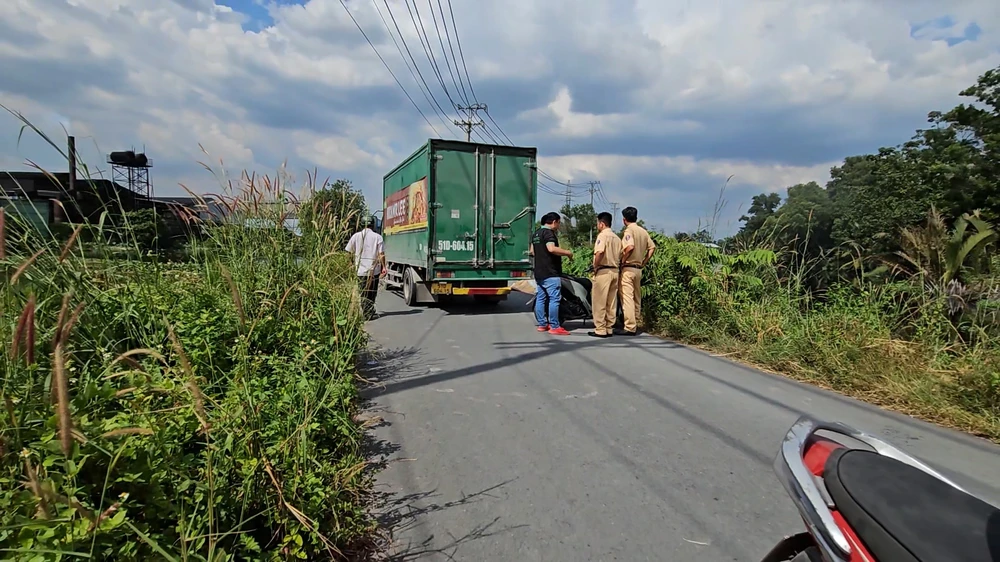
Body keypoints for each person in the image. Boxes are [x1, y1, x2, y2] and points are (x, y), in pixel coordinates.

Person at [530, 212, 573, 335]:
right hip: (550, 272)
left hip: (539, 272)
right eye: (559, 223)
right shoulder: (549, 233)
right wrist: (567, 252)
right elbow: (551, 248)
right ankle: (554, 326)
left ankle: (542, 324)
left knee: (541, 298)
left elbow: (532, 251)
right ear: (554, 222)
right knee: (554, 299)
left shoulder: (536, 233)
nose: (558, 225)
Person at [618, 206, 655, 336]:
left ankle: (629, 326)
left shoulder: (629, 231)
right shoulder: (643, 231)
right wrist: (644, 261)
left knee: (627, 297)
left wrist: (623, 260)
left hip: (628, 268)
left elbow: (630, 246)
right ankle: (636, 320)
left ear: (624, 220)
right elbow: (652, 248)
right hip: (639, 268)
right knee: (636, 297)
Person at [345, 216, 386, 320]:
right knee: (372, 292)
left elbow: (348, 252)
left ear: (362, 225)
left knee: (363, 292)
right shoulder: (378, 237)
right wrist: (384, 267)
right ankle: (369, 312)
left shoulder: (356, 236)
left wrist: (351, 264)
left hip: (360, 271)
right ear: (372, 225)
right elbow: (381, 254)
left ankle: (366, 312)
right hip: (374, 271)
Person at [588, 211, 622, 338]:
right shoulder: (617, 238)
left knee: (599, 301)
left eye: (597, 223)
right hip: (615, 271)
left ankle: (600, 329)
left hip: (603, 271)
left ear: (602, 224)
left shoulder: (602, 236)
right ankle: (609, 327)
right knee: (611, 301)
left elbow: (600, 252)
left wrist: (595, 267)